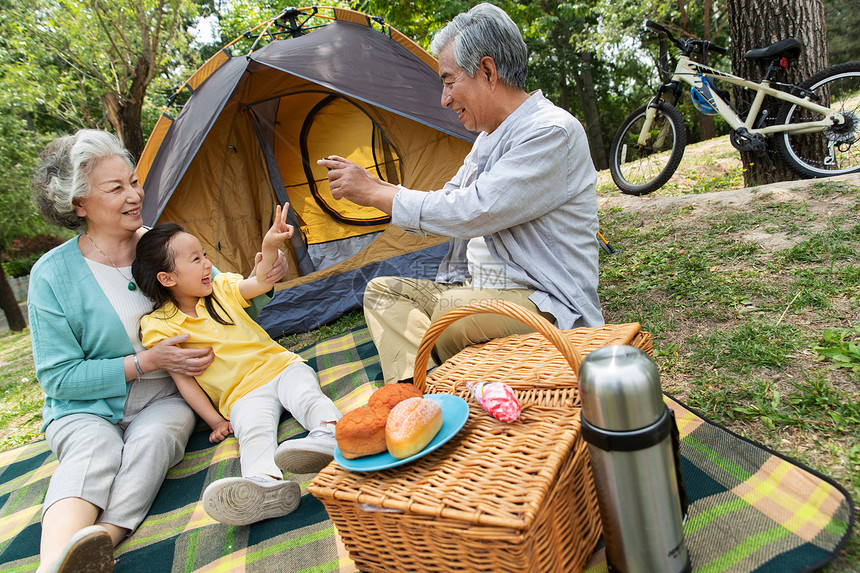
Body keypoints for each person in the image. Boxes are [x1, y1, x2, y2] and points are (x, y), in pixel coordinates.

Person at [29, 129, 287, 573]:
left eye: (133, 181)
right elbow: (59, 379)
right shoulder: (50, 276)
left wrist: (262, 276)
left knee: (155, 441)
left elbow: (219, 294)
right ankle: (52, 564)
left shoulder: (160, 248)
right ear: (79, 205)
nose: (134, 194)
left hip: (167, 394)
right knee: (94, 451)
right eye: (116, 188)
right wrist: (145, 361)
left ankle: (97, 547)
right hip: (85, 406)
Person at [319, 3, 604, 385]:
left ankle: (430, 391)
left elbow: (471, 211)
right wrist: (376, 187)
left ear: (487, 71)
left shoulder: (551, 131)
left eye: (449, 81)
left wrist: (375, 195)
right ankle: (418, 395)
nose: (443, 99)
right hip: (479, 289)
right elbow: (447, 198)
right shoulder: (487, 139)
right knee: (383, 292)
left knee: (447, 314)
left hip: (543, 302)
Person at [132, 214, 342, 526]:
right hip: (241, 395)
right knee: (253, 434)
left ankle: (330, 432)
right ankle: (264, 487)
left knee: (306, 396)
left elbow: (260, 281)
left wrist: (269, 246)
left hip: (280, 367)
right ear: (167, 279)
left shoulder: (220, 288)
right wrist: (215, 420)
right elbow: (183, 379)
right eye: (196, 259)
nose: (206, 263)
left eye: (204, 255)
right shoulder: (158, 326)